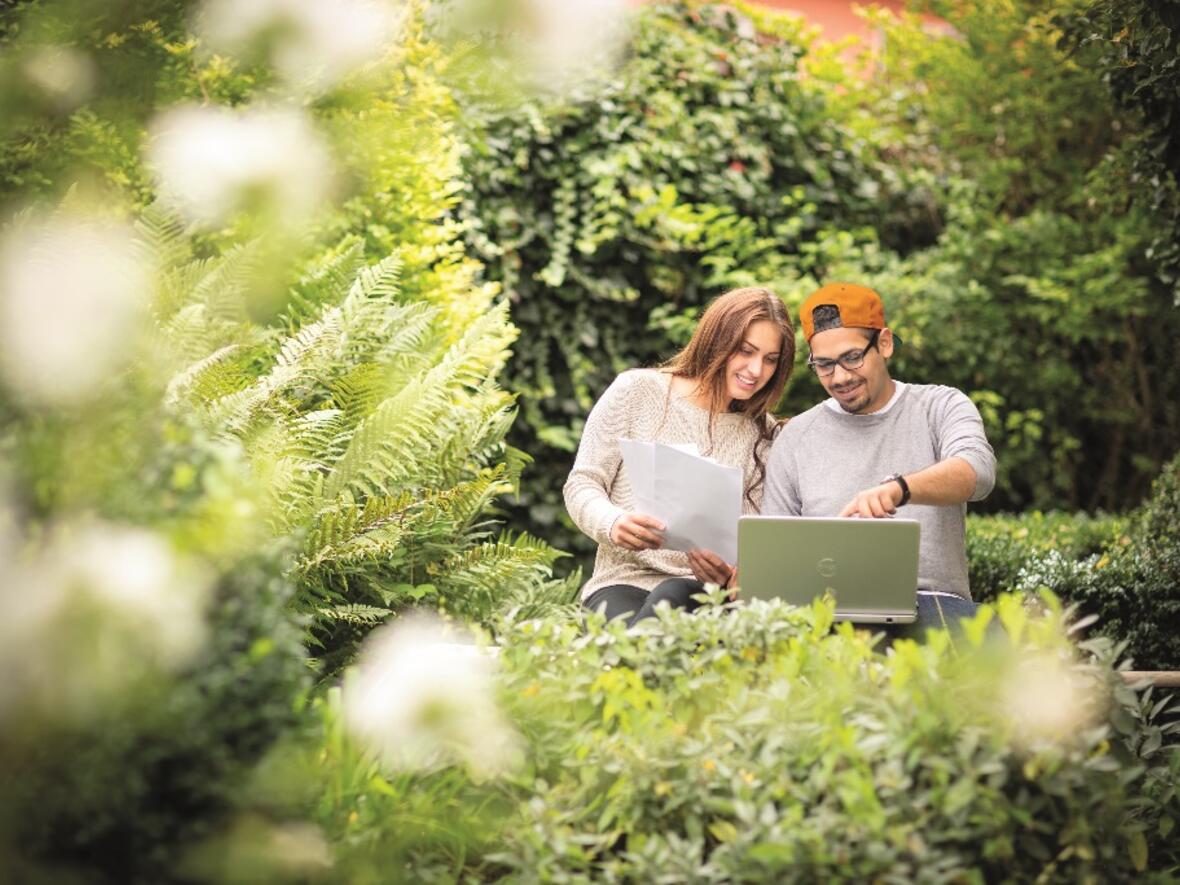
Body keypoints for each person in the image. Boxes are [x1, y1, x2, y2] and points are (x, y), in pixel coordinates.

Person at [762, 281, 996, 635]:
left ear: (884, 343)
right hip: (827, 614)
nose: (839, 377)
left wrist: (898, 489)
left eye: (852, 357)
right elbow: (776, 556)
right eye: (823, 365)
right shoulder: (795, 438)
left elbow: (977, 471)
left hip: (933, 604)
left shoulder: (941, 406)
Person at [564, 287, 794, 626]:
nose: (756, 370)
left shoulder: (764, 438)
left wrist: (729, 575)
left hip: (703, 596)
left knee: (672, 594)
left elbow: (754, 547)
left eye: (770, 359)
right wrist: (613, 523)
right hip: (622, 582)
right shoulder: (636, 392)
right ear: (717, 340)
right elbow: (582, 483)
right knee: (649, 618)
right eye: (745, 351)